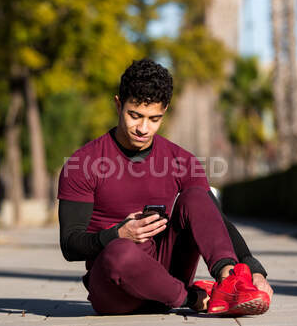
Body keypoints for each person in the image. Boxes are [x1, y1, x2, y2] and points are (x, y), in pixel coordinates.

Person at [58, 58, 273, 315]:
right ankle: (194, 298)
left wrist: (254, 269)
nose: (143, 128)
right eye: (134, 115)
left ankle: (230, 282)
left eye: (154, 119)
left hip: (167, 272)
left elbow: (214, 219)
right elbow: (70, 245)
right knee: (121, 253)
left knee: (196, 196)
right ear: (118, 104)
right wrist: (118, 234)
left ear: (165, 110)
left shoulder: (181, 160)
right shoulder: (82, 163)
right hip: (115, 289)